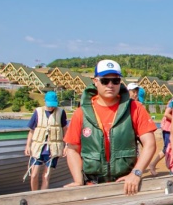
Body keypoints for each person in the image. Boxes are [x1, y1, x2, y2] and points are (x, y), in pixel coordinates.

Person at [63, 59, 157, 195]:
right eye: (105, 81)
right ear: (95, 81)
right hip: (92, 186)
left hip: (126, 185)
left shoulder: (134, 108)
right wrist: (78, 181)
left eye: (115, 81)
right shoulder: (81, 113)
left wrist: (136, 173)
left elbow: (150, 144)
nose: (110, 85)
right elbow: (72, 149)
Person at [24, 91, 68, 191]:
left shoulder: (61, 112)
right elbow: (31, 131)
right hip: (38, 148)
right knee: (34, 175)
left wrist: (66, 146)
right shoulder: (38, 112)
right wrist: (28, 146)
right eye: (49, 105)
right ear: (45, 102)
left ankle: (42, 195)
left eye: (53, 105)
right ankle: (34, 194)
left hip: (53, 149)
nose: (51, 107)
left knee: (46, 176)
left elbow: (65, 129)